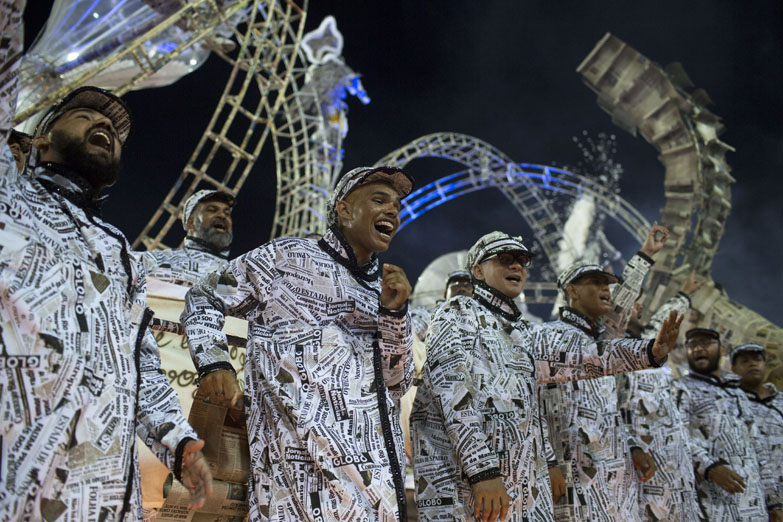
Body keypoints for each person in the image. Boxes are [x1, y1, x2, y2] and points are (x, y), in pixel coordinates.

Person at [0, 23, 213, 520]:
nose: (104, 126)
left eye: (113, 129)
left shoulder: (116, 250)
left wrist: (179, 445)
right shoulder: (8, 198)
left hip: (104, 497)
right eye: (83, 114)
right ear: (39, 141)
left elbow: (137, 365)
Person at [182, 166, 415, 521]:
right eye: (379, 200)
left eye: (397, 206)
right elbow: (204, 295)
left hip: (379, 496)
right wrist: (214, 363)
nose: (392, 212)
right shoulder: (285, 259)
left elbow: (397, 385)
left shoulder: (384, 292)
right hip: (299, 493)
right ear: (345, 209)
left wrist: (395, 317)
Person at [410, 231, 682, 522]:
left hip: (523, 488)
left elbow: (586, 357)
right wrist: (482, 471)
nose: (517, 266)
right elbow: (451, 393)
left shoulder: (523, 332)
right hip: (471, 485)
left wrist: (650, 352)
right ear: (478, 270)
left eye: (522, 261)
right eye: (505, 259)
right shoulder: (457, 312)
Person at [540, 226, 668, 522]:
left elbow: (607, 413)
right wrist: (546, 460)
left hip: (618, 482)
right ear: (571, 290)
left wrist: (646, 254)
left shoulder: (605, 343)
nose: (605, 289)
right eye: (595, 283)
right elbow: (532, 408)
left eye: (607, 284)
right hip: (573, 478)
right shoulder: (546, 336)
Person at [616, 273, 703, 521]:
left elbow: (662, 321)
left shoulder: (645, 344)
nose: (640, 306)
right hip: (635, 465)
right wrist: (632, 446)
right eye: (632, 302)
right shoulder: (601, 350)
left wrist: (685, 293)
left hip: (673, 467)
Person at [674, 328, 778, 521]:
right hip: (711, 505)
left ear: (721, 350)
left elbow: (758, 447)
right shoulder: (680, 388)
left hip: (753, 506)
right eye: (693, 344)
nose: (698, 348)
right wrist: (710, 467)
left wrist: (774, 501)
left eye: (705, 343)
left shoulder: (737, 394)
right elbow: (673, 435)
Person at [730, 342, 783, 521]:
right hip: (754, 501)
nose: (752, 364)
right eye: (745, 361)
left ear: (765, 366)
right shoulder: (730, 405)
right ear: (734, 369)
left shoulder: (781, 401)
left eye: (757, 360)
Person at [142, 189, 235, 286]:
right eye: (212, 210)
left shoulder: (239, 278)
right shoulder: (154, 261)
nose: (222, 215)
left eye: (227, 213)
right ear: (190, 222)